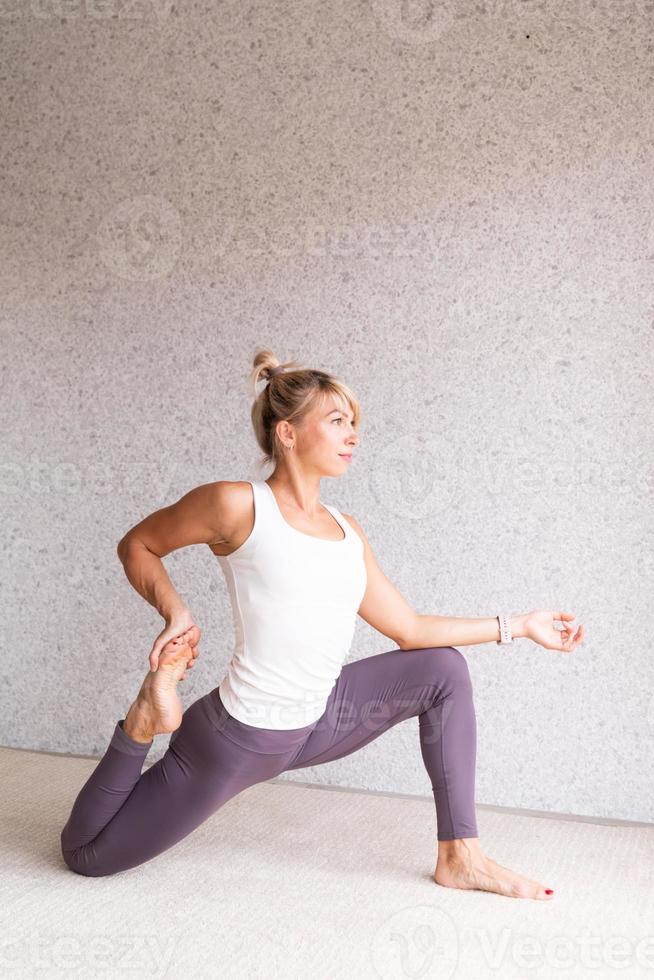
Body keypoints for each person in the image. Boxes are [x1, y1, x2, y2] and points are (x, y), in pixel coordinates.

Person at [59, 347, 585, 895]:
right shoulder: (237, 505)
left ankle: (461, 856)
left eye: (354, 423)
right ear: (287, 433)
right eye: (337, 421)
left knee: (443, 671)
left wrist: (521, 625)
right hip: (242, 737)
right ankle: (144, 719)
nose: (353, 434)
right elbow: (138, 544)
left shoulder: (346, 530)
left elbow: (409, 629)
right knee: (86, 855)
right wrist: (177, 612)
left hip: (320, 722)